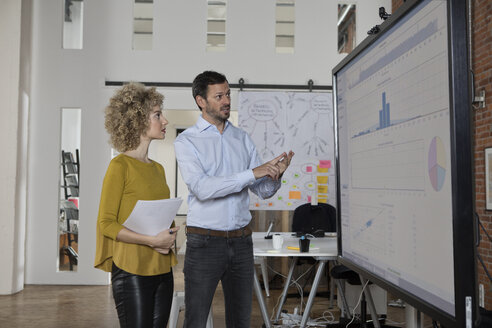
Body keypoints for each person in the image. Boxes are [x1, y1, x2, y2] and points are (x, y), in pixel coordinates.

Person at [174, 71, 294, 328]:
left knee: (240, 321)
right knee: (195, 320)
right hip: (204, 243)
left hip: (241, 243)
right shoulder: (186, 141)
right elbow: (203, 188)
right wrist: (252, 172)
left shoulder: (241, 138)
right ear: (201, 101)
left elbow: (260, 190)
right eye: (219, 96)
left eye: (228, 94)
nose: (227, 100)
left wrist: (274, 176)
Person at [94, 82, 179, 328]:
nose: (164, 121)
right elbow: (106, 224)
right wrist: (151, 241)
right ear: (138, 120)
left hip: (162, 268)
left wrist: (170, 233)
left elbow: (160, 216)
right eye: (157, 115)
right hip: (131, 270)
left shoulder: (159, 169)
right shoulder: (119, 166)